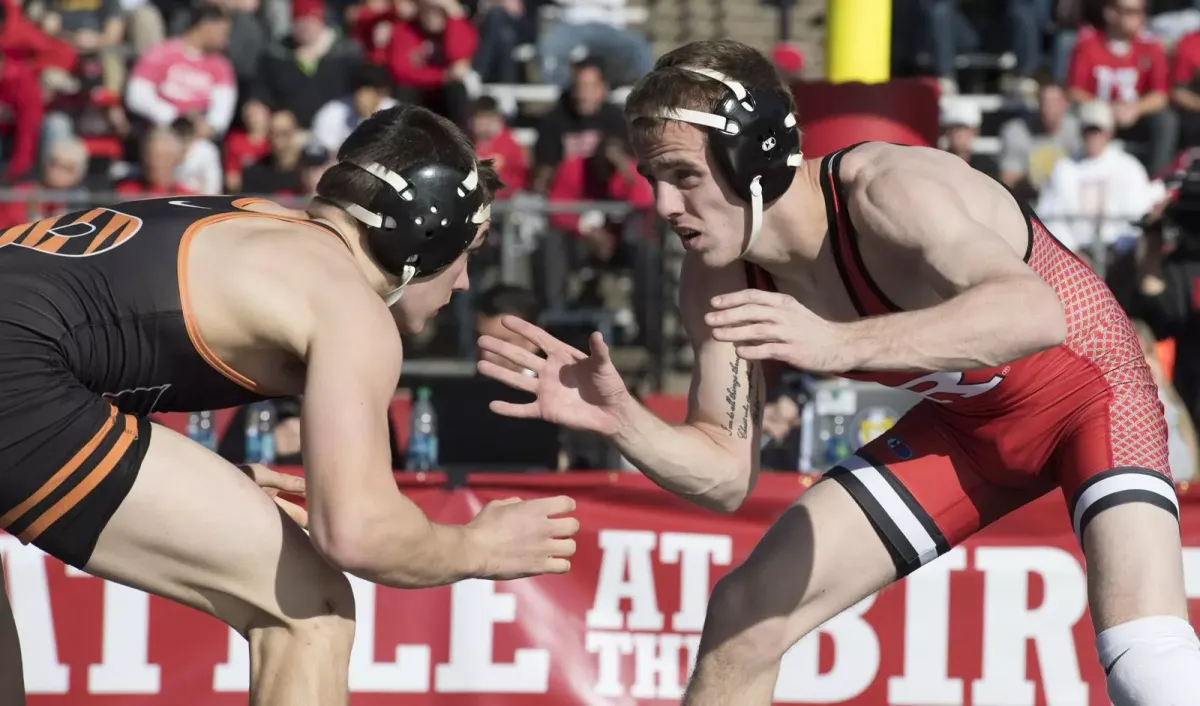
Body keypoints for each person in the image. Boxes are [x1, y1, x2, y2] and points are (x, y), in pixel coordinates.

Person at [478, 40, 1198, 706]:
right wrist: (623, 421)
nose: (664, 206)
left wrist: (835, 343)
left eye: (684, 176)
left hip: (1092, 394)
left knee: (1144, 656)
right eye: (653, 180)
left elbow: (1035, 314)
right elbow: (724, 474)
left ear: (754, 156)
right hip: (970, 429)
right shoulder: (716, 276)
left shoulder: (887, 188)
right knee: (745, 616)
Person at [0, 104, 578, 706]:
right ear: (427, 234)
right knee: (309, 611)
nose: (462, 283)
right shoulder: (346, 304)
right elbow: (359, 533)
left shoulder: (247, 216)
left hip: (21, 360)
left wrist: (192, 482)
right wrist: (479, 547)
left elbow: (91, 324)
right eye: (469, 252)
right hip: (17, 374)